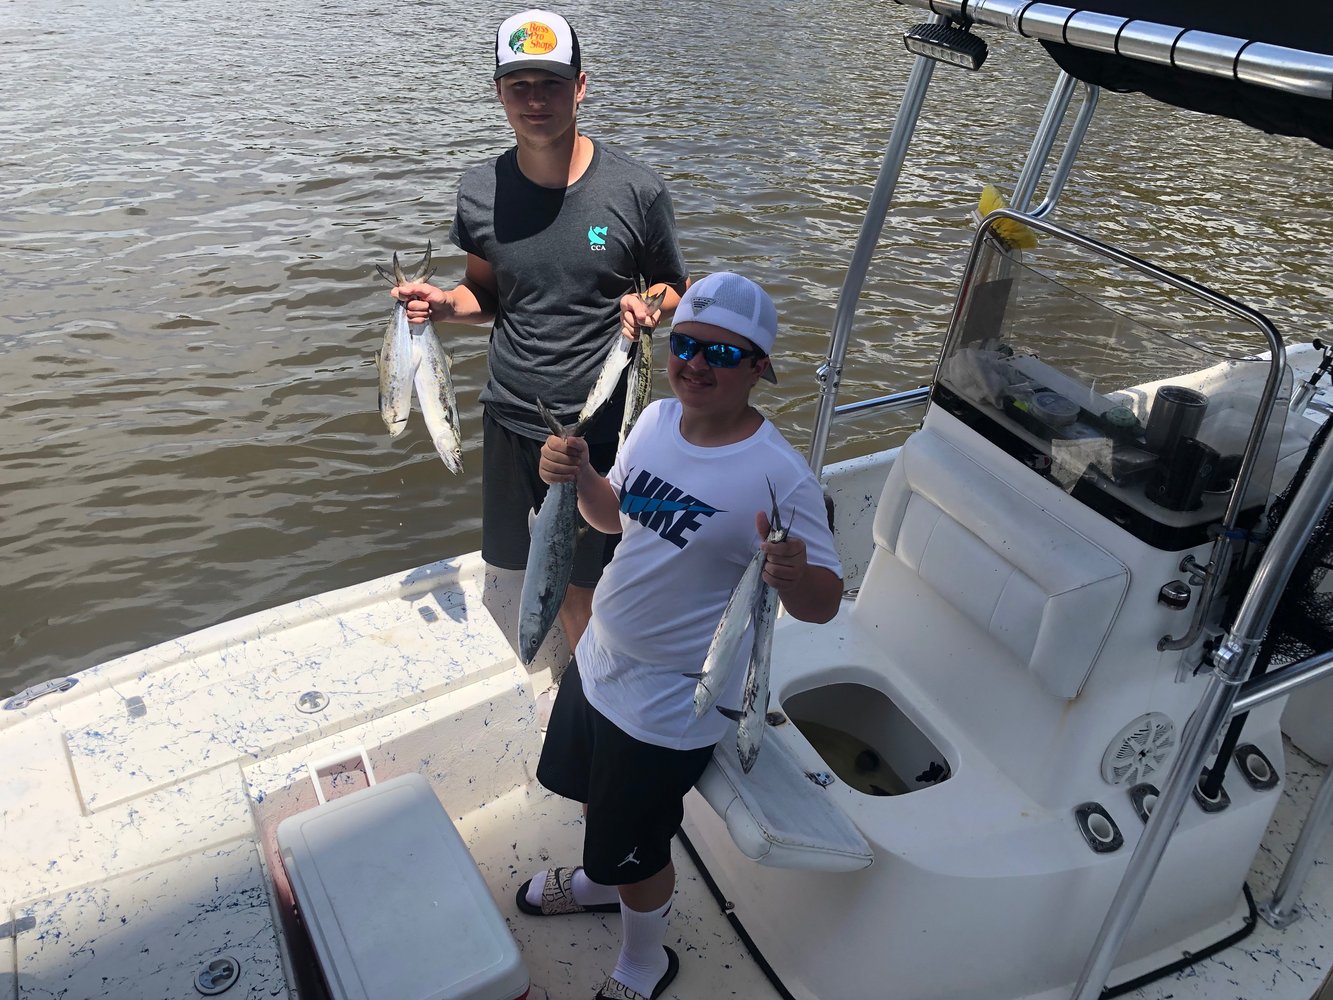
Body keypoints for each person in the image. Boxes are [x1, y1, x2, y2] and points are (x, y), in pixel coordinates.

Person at [518, 272, 844, 999]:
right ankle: (599, 880)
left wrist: (790, 572)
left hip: (669, 702)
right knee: (588, 797)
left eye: (721, 355)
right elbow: (613, 518)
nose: (694, 364)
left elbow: (823, 605)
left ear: (759, 367)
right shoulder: (657, 420)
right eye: (686, 344)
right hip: (598, 659)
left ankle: (643, 960)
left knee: (640, 852)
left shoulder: (778, 476)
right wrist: (575, 474)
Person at [392, 8, 688, 658]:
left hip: (599, 430)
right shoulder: (479, 190)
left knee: (587, 589)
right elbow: (488, 294)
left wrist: (649, 306)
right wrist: (441, 305)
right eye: (519, 85)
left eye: (550, 84)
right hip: (510, 422)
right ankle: (565, 673)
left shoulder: (635, 191)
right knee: (520, 572)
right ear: (497, 91)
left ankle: (591, 702)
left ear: (580, 87)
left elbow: (673, 284)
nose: (535, 100)